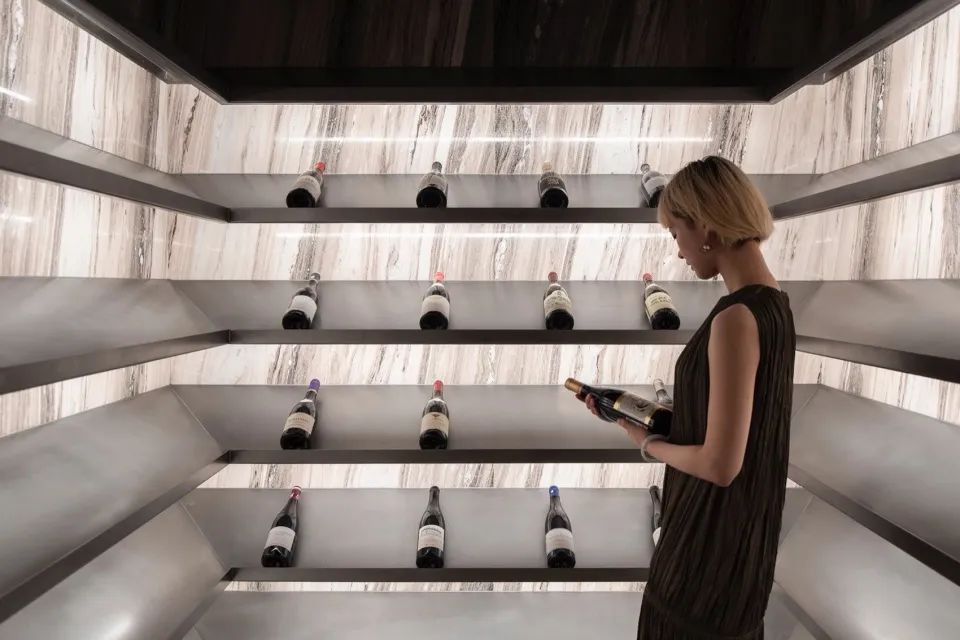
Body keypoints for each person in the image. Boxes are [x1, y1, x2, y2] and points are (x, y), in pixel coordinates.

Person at [583, 156, 796, 639]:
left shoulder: (735, 318)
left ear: (706, 225)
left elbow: (721, 465)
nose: (678, 251)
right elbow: (745, 422)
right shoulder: (775, 304)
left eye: (676, 233)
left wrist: (647, 443)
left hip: (704, 551)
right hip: (741, 551)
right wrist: (661, 419)